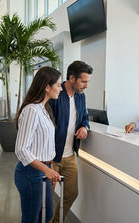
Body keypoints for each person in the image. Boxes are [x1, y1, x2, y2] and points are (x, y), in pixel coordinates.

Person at [14, 67, 63, 223]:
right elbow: (22, 150)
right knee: (32, 219)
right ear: (47, 87)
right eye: (58, 85)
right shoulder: (32, 110)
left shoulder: (44, 109)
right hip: (30, 173)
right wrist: (46, 170)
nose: (61, 89)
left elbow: (44, 145)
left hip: (42, 170)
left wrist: (50, 168)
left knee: (46, 215)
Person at [49, 61, 93, 223]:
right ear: (72, 78)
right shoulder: (56, 95)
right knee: (47, 197)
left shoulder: (81, 96)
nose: (86, 85)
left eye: (87, 81)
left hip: (69, 156)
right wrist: (48, 159)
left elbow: (85, 117)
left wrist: (84, 128)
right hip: (52, 157)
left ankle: (54, 221)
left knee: (71, 193)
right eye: (84, 81)